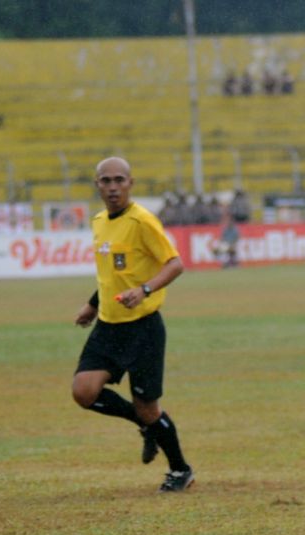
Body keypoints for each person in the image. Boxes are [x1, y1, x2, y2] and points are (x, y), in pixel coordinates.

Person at [72, 157, 195, 493]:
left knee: (148, 406)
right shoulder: (99, 222)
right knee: (83, 391)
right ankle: (144, 426)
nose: (113, 187)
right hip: (109, 327)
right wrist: (93, 305)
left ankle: (180, 469)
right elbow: (113, 274)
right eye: (106, 181)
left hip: (143, 329)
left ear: (130, 183)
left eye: (119, 180)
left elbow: (176, 264)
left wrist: (144, 290)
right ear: (97, 184)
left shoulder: (142, 221)